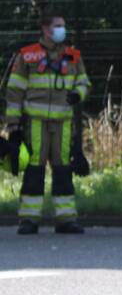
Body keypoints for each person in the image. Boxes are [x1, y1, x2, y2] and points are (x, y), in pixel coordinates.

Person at [4, 14, 90, 235]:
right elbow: (14, 91)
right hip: (35, 123)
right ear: (45, 29)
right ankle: (29, 219)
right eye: (57, 26)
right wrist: (13, 125)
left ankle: (66, 219)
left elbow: (84, 82)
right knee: (34, 168)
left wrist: (77, 95)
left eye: (63, 25)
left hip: (63, 123)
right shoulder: (27, 55)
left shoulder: (73, 55)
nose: (63, 30)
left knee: (63, 169)